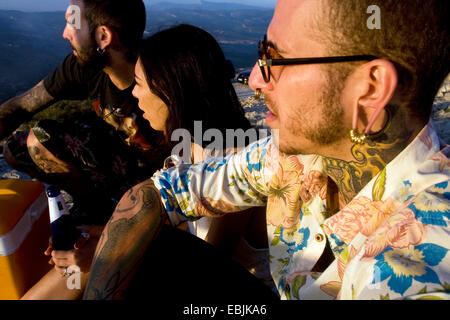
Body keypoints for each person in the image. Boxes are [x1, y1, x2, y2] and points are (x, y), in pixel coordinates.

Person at [83, 0, 450, 300]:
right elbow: (158, 194)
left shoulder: (413, 269)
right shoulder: (290, 157)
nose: (256, 79)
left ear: (370, 91)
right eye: (261, 52)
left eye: (276, 59)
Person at [21, 24, 272, 299]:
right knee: (93, 251)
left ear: (169, 89)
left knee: (104, 259)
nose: (134, 94)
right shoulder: (188, 146)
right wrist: (101, 236)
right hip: (201, 272)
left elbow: (211, 261)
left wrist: (111, 248)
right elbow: (173, 230)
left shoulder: (237, 159)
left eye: (139, 83)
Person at [0, 0, 164, 226]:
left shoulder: (164, 77)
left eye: (71, 23)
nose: (64, 33)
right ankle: (95, 207)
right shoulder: (84, 67)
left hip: (161, 180)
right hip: (115, 160)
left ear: (103, 36)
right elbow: (21, 106)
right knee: (21, 147)